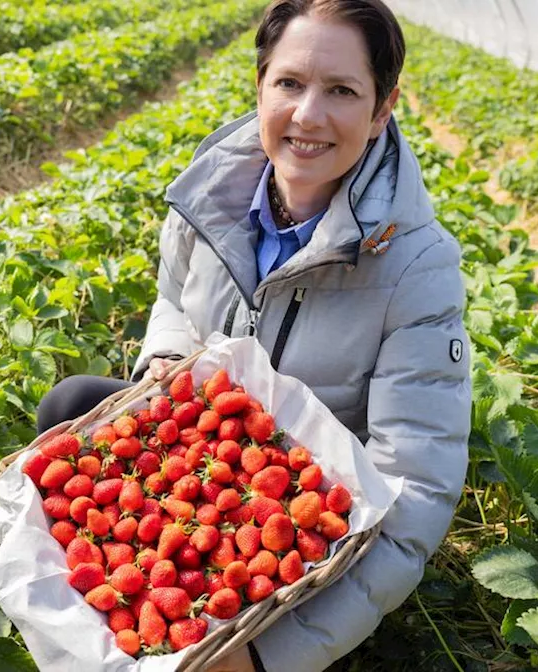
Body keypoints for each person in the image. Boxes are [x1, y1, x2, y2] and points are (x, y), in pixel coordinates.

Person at [35, 1, 472, 669]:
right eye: (290, 83)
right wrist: (168, 359)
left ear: (383, 109)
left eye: (343, 91)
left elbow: (414, 488)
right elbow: (172, 301)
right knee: (70, 410)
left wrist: (267, 656)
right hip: (204, 472)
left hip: (307, 522)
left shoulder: (416, 265)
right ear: (261, 86)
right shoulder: (210, 197)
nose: (308, 115)